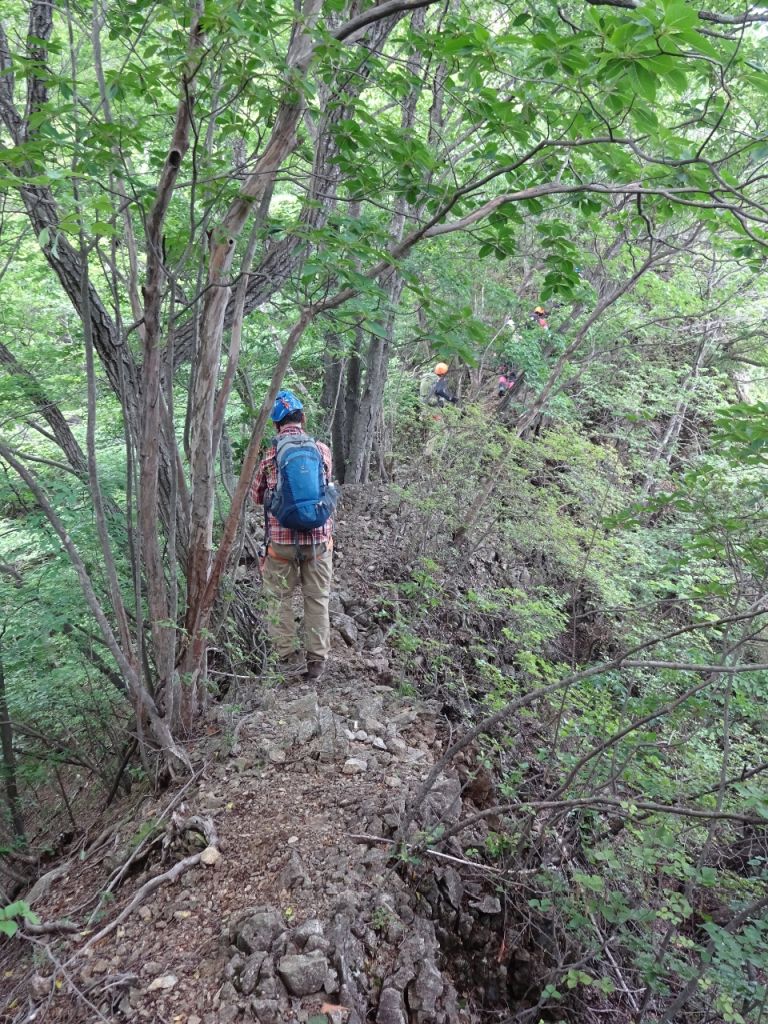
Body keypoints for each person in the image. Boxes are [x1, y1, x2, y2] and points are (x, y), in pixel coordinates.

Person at [251, 390, 335, 681]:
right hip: (318, 541)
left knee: (280, 600)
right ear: (303, 418)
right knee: (317, 599)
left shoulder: (271, 456)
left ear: (276, 425)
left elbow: (256, 497)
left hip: (281, 546)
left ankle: (285, 660)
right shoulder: (321, 450)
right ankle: (316, 664)